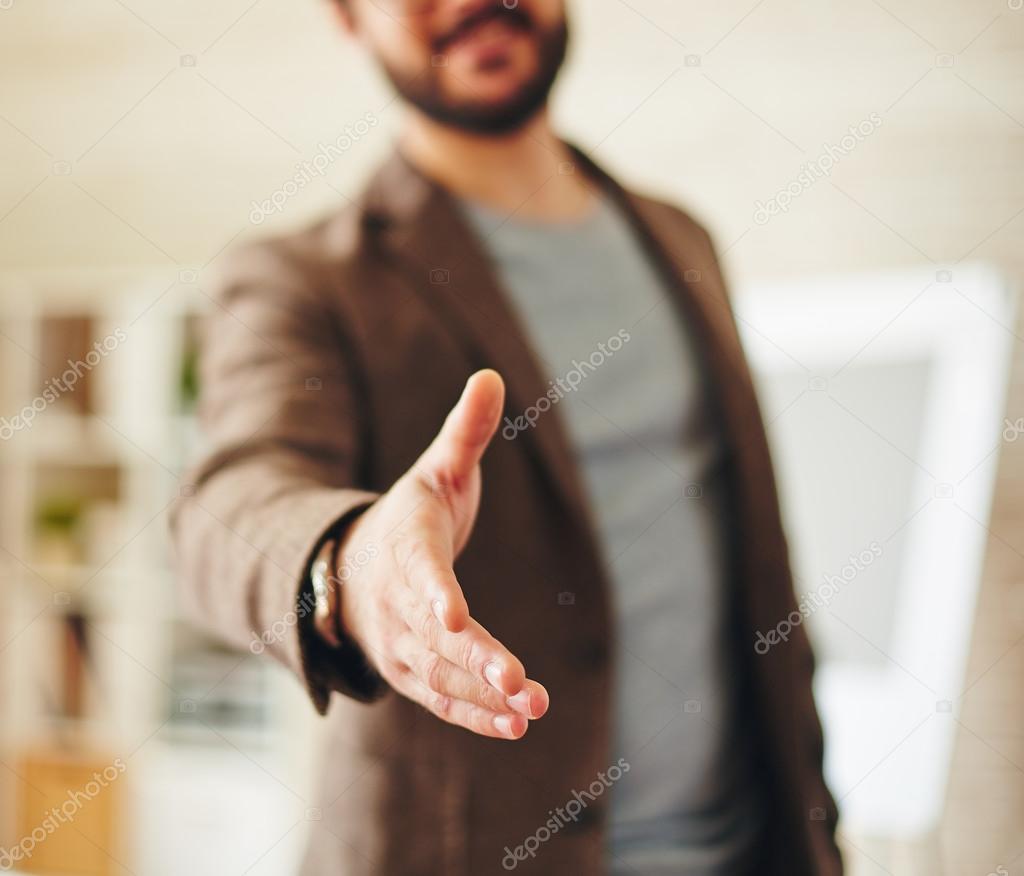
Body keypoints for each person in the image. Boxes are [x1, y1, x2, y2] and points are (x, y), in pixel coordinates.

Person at [170, 1, 841, 873]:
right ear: (347, 17)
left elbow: (761, 577)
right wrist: (351, 566)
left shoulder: (682, 239)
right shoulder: (307, 281)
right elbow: (228, 508)